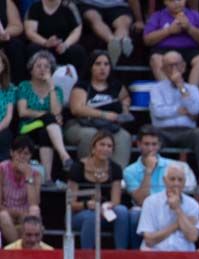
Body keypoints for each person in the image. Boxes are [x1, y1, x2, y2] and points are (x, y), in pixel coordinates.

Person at [148, 50, 199, 187]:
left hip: (186, 132)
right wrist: (178, 111)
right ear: (163, 69)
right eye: (169, 66)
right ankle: (150, 173)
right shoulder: (156, 89)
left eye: (177, 65)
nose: (174, 69)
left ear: (183, 67)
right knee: (150, 134)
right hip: (162, 131)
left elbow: (195, 110)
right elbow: (158, 112)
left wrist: (181, 86)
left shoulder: (192, 89)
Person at [64, 50, 133, 168]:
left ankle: (117, 176)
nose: (103, 68)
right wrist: (103, 114)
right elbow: (76, 109)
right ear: (91, 67)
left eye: (106, 64)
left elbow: (126, 97)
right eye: (98, 64)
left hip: (108, 127)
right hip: (81, 125)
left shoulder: (115, 86)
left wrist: (125, 109)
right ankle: (89, 171)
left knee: (124, 136)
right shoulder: (82, 85)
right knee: (90, 135)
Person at [67, 130, 130, 249]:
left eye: (109, 146)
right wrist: (87, 204)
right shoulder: (77, 168)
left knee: (122, 211)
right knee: (92, 216)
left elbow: (116, 201)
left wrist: (104, 206)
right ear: (93, 148)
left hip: (104, 211)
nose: (106, 148)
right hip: (80, 213)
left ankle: (121, 254)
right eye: (102, 144)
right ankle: (87, 258)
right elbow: (70, 203)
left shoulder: (115, 169)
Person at [16, 50, 70, 181]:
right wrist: (46, 115)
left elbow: (57, 112)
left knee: (45, 132)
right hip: (27, 128)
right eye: (38, 66)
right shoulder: (24, 86)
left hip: (47, 130)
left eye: (46, 66)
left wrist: (51, 88)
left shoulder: (57, 90)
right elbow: (22, 112)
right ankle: (64, 156)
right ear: (31, 70)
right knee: (49, 118)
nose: (43, 69)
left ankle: (48, 178)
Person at [123, 126, 197, 213]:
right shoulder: (129, 171)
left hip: (169, 207)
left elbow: (180, 194)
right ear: (138, 144)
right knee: (135, 214)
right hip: (144, 209)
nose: (150, 149)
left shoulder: (174, 166)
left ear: (159, 145)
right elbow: (141, 201)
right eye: (146, 144)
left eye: (154, 144)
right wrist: (148, 171)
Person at [144, 0, 199, 87]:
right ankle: (168, 93)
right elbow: (147, 40)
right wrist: (169, 31)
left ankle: (191, 93)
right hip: (164, 51)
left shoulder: (195, 15)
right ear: (165, 2)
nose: (177, 3)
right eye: (172, 0)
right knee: (155, 58)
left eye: (180, 0)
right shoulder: (158, 15)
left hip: (190, 50)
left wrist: (189, 28)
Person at [137, 164, 199, 251]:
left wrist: (178, 209)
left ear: (184, 182)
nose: (176, 183)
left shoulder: (193, 205)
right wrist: (177, 225)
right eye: (172, 179)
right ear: (164, 180)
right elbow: (149, 240)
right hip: (155, 254)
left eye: (180, 180)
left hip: (183, 256)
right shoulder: (150, 202)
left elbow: (192, 237)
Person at [23, 0, 88, 79]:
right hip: (43, 44)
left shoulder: (69, 6)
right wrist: (45, 43)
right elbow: (30, 31)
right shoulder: (35, 7)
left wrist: (66, 44)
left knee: (78, 51)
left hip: (64, 46)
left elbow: (77, 30)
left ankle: (78, 85)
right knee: (33, 48)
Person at [0, 135, 40, 244]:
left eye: (26, 153)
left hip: (25, 214)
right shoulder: (2, 169)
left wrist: (28, 177)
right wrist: (15, 213)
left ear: (30, 156)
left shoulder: (35, 174)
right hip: (5, 212)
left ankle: (26, 247)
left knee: (35, 210)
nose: (22, 156)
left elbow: (34, 203)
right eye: (19, 152)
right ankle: (18, 249)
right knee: (3, 216)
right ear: (11, 153)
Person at [79, 0, 139, 67]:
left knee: (124, 23)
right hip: (90, 4)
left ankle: (117, 42)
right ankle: (114, 41)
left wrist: (139, 20)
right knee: (94, 18)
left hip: (118, 5)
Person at [0, 1, 24, 86]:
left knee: (16, 45)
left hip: (2, 39)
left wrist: (4, 33)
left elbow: (17, 26)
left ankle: (16, 85)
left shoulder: (5, 2)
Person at [0, 52, 14, 159]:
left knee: (4, 136)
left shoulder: (9, 88)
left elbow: (8, 117)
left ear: (4, 66)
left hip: (2, 127)